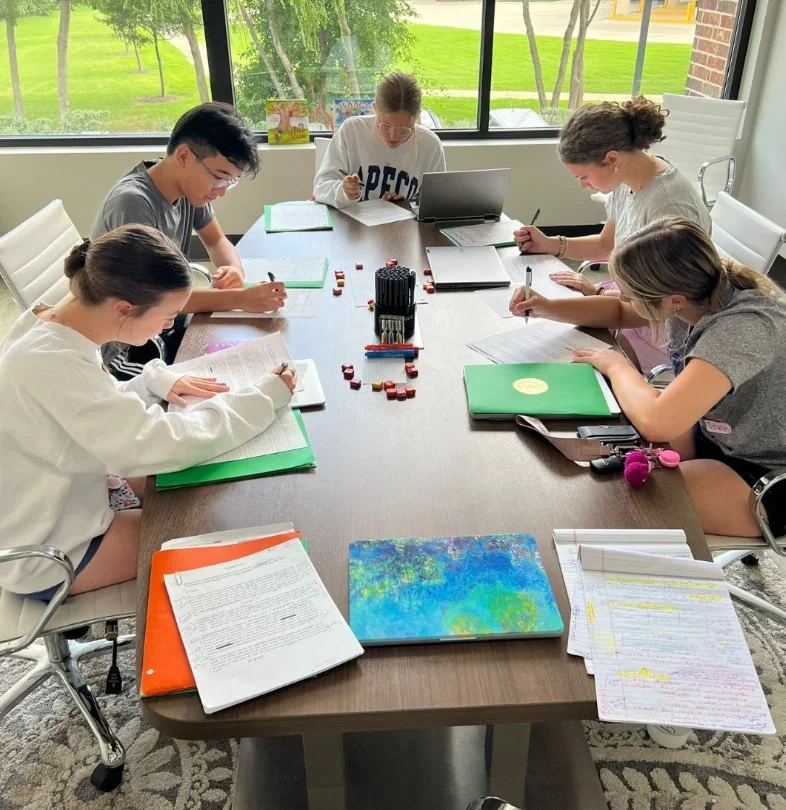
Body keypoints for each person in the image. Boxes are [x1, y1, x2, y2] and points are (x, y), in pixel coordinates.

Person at [0, 225, 296, 600]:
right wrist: (262, 397)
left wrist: (149, 382)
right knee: (213, 533)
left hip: (64, 501)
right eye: (168, 315)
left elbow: (84, 405)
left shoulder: (51, 325)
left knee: (193, 497)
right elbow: (166, 443)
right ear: (123, 308)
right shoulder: (56, 366)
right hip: (47, 551)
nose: (169, 326)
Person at [514, 217, 786, 539]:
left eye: (633, 295)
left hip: (768, 472)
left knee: (628, 497)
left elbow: (659, 422)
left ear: (673, 301)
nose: (624, 299)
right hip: (718, 433)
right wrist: (546, 307)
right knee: (617, 462)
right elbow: (617, 312)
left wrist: (617, 366)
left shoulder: (743, 329)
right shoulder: (696, 292)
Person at [512, 98, 711, 371]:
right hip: (634, 299)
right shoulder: (627, 179)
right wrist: (551, 244)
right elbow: (608, 245)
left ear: (612, 159)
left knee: (571, 363)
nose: (583, 186)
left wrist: (550, 307)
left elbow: (639, 311)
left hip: (664, 328)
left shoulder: (668, 208)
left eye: (583, 176)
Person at [91, 102, 286, 375]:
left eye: (230, 182)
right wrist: (240, 298)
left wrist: (234, 270)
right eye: (219, 178)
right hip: (128, 346)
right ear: (184, 156)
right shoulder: (133, 205)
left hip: (163, 322)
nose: (221, 192)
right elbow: (158, 298)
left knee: (253, 353)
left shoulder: (187, 189)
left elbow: (217, 241)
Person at [313, 72, 446, 208]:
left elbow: (436, 202)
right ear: (375, 109)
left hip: (401, 226)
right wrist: (344, 191)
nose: (393, 135)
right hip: (352, 225)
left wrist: (407, 205)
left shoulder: (430, 145)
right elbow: (321, 187)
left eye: (403, 129)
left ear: (417, 117)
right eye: (385, 126)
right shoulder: (352, 130)